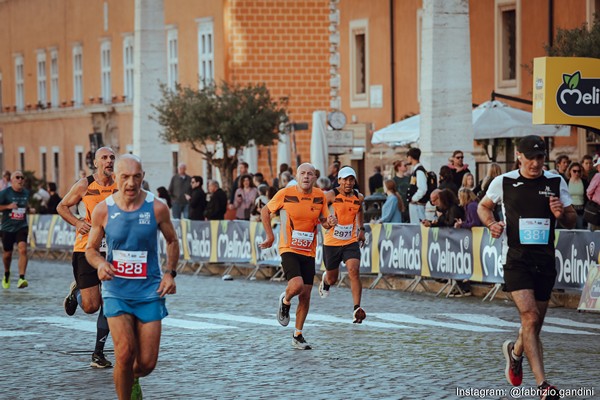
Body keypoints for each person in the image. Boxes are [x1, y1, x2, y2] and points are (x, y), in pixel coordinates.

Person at [477, 135, 575, 399]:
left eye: (540, 157)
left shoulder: (555, 181)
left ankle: (516, 352)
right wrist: (491, 224)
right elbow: (484, 206)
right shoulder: (504, 181)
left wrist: (560, 214)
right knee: (530, 317)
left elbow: (571, 218)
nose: (535, 162)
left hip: (544, 260)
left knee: (535, 324)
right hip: (516, 258)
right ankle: (544, 386)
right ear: (518, 156)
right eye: (530, 157)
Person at [85, 154, 179, 400]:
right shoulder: (103, 210)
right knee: (124, 354)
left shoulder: (157, 207)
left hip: (149, 291)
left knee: (147, 363)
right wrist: (100, 264)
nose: (130, 183)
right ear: (115, 178)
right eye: (124, 177)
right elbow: (91, 249)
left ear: (143, 178)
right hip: (116, 291)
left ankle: (133, 377)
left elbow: (172, 241)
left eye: (136, 177)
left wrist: (169, 273)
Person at [259, 163, 337, 350]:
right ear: (297, 175)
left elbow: (324, 221)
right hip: (289, 248)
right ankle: (285, 300)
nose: (306, 177)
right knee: (297, 286)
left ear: (315, 177)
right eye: (303, 173)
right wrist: (270, 236)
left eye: (310, 174)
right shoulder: (285, 193)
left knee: (306, 295)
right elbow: (265, 211)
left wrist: (330, 222)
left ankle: (298, 335)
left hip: (308, 250)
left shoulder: (319, 196)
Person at [56, 147, 117, 368]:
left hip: (113, 251)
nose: (109, 161)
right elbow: (61, 206)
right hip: (86, 250)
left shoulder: (120, 185)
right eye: (105, 158)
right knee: (91, 306)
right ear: (96, 163)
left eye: (112, 157)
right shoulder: (85, 184)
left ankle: (98, 353)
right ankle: (77, 292)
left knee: (110, 300)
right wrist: (78, 223)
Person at [319, 167, 366, 323]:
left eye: (351, 179)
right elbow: (319, 211)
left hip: (350, 241)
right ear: (339, 180)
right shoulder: (331, 195)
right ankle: (326, 280)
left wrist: (361, 229)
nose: (348, 183)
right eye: (344, 179)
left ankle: (356, 309)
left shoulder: (358, 197)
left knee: (354, 270)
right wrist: (326, 221)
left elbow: (360, 211)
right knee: (333, 278)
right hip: (332, 242)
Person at [0, 171, 31, 289]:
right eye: (17, 177)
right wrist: (8, 207)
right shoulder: (4, 193)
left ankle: (21, 278)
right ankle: (7, 273)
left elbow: (24, 205)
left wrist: (29, 208)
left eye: (22, 178)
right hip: (7, 228)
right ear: (12, 180)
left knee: (23, 249)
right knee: (7, 254)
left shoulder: (26, 193)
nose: (20, 180)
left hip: (21, 226)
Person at [406, 147, 428, 224]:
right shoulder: (417, 170)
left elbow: (422, 189)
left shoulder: (419, 171)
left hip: (417, 204)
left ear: (410, 157)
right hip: (415, 204)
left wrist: (413, 199)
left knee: (417, 226)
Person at [566, 162, 588, 229]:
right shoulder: (566, 182)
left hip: (581, 210)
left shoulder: (584, 182)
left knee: (580, 229)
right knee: (569, 230)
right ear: (570, 171)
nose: (577, 173)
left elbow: (587, 197)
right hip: (569, 210)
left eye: (579, 171)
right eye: (574, 171)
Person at [586, 158, 600, 231]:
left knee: (593, 232)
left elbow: (589, 191)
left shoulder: (598, 176)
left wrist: (591, 199)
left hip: (596, 208)